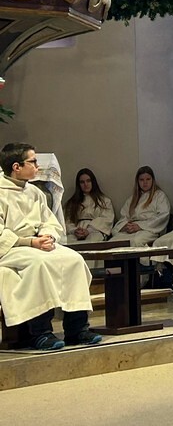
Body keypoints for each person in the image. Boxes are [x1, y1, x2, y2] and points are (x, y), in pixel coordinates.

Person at [0, 142, 101, 350]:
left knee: (73, 260)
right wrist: (30, 242)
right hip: (12, 248)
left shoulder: (34, 192)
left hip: (37, 244)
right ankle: (40, 333)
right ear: (16, 167)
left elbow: (49, 221)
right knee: (39, 265)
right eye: (33, 161)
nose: (38, 166)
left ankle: (77, 329)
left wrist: (47, 236)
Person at [109, 166, 170, 246]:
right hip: (131, 229)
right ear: (137, 181)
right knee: (113, 241)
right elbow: (124, 216)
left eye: (148, 179)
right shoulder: (132, 199)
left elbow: (163, 216)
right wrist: (126, 226)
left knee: (136, 241)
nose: (145, 182)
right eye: (141, 180)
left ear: (152, 180)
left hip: (149, 229)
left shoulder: (159, 196)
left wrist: (140, 226)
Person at [63, 168, 114, 243]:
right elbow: (67, 221)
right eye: (82, 182)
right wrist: (74, 230)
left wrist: (89, 230)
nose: (86, 184)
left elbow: (107, 219)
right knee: (68, 242)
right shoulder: (72, 203)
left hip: (95, 231)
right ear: (78, 184)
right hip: (76, 231)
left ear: (93, 182)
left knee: (93, 240)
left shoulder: (104, 201)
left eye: (88, 181)